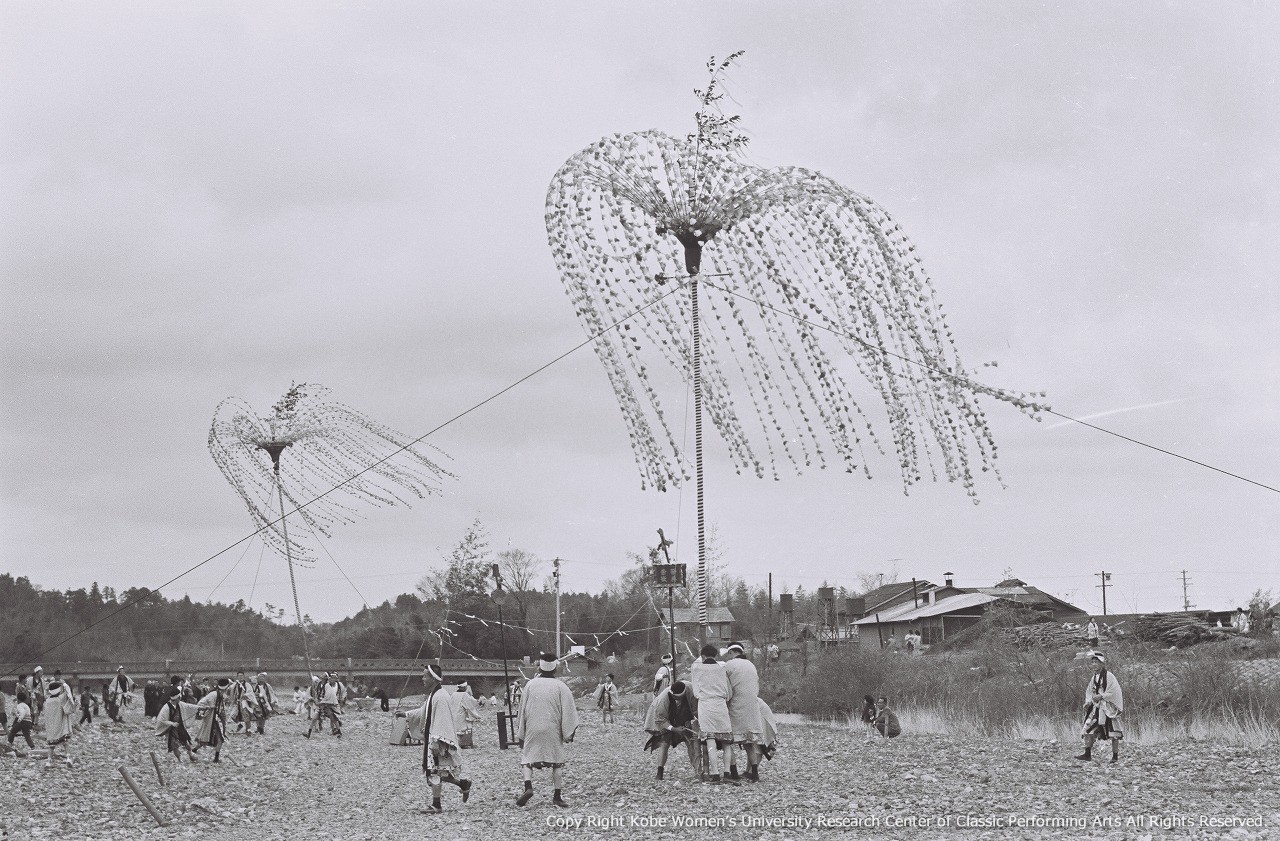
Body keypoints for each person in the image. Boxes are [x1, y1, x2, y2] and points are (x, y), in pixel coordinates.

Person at [515, 654, 578, 808]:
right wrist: (568, 733)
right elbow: (569, 710)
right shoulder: (561, 686)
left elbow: (522, 709)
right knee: (557, 762)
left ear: (540, 667)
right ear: (555, 668)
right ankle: (557, 796)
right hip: (552, 728)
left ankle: (528, 787)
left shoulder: (530, 685)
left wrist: (522, 731)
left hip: (533, 727)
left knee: (527, 759)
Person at [412, 664, 473, 813]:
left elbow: (442, 720)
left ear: (433, 678)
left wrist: (436, 741)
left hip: (439, 739)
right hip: (435, 737)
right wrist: (406, 715)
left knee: (434, 771)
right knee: (438, 771)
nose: (422, 678)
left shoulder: (441, 696)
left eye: (425, 676)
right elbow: (424, 712)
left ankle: (436, 805)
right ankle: (463, 784)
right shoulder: (434, 695)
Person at [691, 643, 736, 785]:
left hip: (705, 705)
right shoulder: (722, 668)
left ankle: (715, 774)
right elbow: (728, 692)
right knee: (726, 741)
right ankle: (727, 773)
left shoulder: (697, 668)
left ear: (703, 656)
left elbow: (695, 691)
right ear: (716, 655)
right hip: (720, 705)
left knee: (710, 740)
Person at [722, 643, 764, 782]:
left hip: (736, 707)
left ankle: (733, 773)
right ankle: (754, 773)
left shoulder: (729, 665)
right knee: (749, 743)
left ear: (731, 652)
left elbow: (726, 689)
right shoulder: (751, 665)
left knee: (728, 742)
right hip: (752, 707)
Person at [643, 679, 698, 780]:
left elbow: (695, 709)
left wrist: (695, 723)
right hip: (666, 719)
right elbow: (660, 720)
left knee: (691, 742)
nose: (677, 700)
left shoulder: (691, 690)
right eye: (675, 698)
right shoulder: (663, 700)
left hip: (684, 716)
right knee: (664, 743)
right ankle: (659, 772)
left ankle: (698, 770)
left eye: (679, 698)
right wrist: (674, 729)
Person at [1077, 652, 1123, 763]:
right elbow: (1089, 691)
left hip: (1108, 708)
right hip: (1097, 708)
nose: (1094, 664)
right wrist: (1088, 702)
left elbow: (1114, 691)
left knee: (1113, 731)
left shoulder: (1109, 676)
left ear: (1102, 664)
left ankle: (1115, 757)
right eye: (1092, 662)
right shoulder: (1094, 678)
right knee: (1089, 727)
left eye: (1096, 662)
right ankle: (1087, 754)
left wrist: (1102, 696)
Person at [154, 686, 197, 762]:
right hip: (170, 729)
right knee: (174, 746)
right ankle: (179, 760)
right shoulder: (166, 708)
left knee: (185, 741)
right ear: (178, 698)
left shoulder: (179, 704)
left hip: (180, 727)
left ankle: (191, 754)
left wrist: (200, 707)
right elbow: (161, 720)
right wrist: (172, 723)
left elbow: (189, 706)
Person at [195, 677, 229, 762]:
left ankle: (194, 750)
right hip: (213, 719)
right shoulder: (213, 694)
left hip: (218, 719)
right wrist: (209, 707)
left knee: (209, 737)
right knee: (220, 738)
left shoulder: (221, 694)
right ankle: (216, 759)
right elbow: (200, 703)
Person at [43, 674, 77, 756]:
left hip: (51, 727)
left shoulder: (47, 701)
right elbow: (68, 710)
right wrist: (75, 704)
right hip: (60, 726)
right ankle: (68, 757)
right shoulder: (60, 700)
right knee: (65, 742)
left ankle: (49, 760)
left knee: (51, 745)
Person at [312, 672, 345, 737]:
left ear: (336, 679)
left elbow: (342, 693)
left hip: (334, 703)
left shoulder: (339, 685)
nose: (332, 679)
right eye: (331, 678)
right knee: (331, 717)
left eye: (334, 678)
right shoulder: (327, 684)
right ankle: (334, 729)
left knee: (332, 717)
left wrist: (341, 700)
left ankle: (337, 729)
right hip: (327, 703)